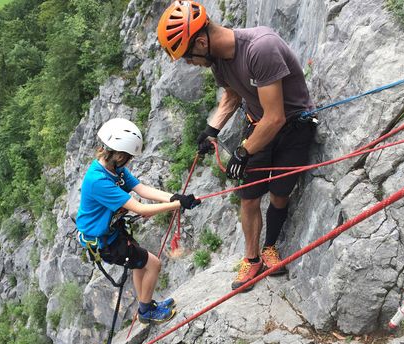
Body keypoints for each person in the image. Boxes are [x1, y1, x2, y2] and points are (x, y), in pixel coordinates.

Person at [157, 1, 316, 292]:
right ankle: (252, 259)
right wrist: (211, 129)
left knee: (280, 193)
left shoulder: (260, 48)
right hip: (259, 123)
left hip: (293, 126)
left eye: (188, 57)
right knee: (249, 196)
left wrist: (244, 151)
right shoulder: (218, 60)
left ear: (202, 42)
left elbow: (276, 117)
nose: (189, 63)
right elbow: (232, 95)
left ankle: (270, 248)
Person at [76, 118, 201, 323]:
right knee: (154, 265)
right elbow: (141, 208)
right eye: (128, 157)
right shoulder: (98, 181)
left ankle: (146, 303)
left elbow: (142, 189)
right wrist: (178, 205)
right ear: (118, 154)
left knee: (139, 265)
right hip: (104, 242)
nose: (129, 161)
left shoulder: (115, 170)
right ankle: (145, 311)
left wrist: (175, 197)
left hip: (111, 233)